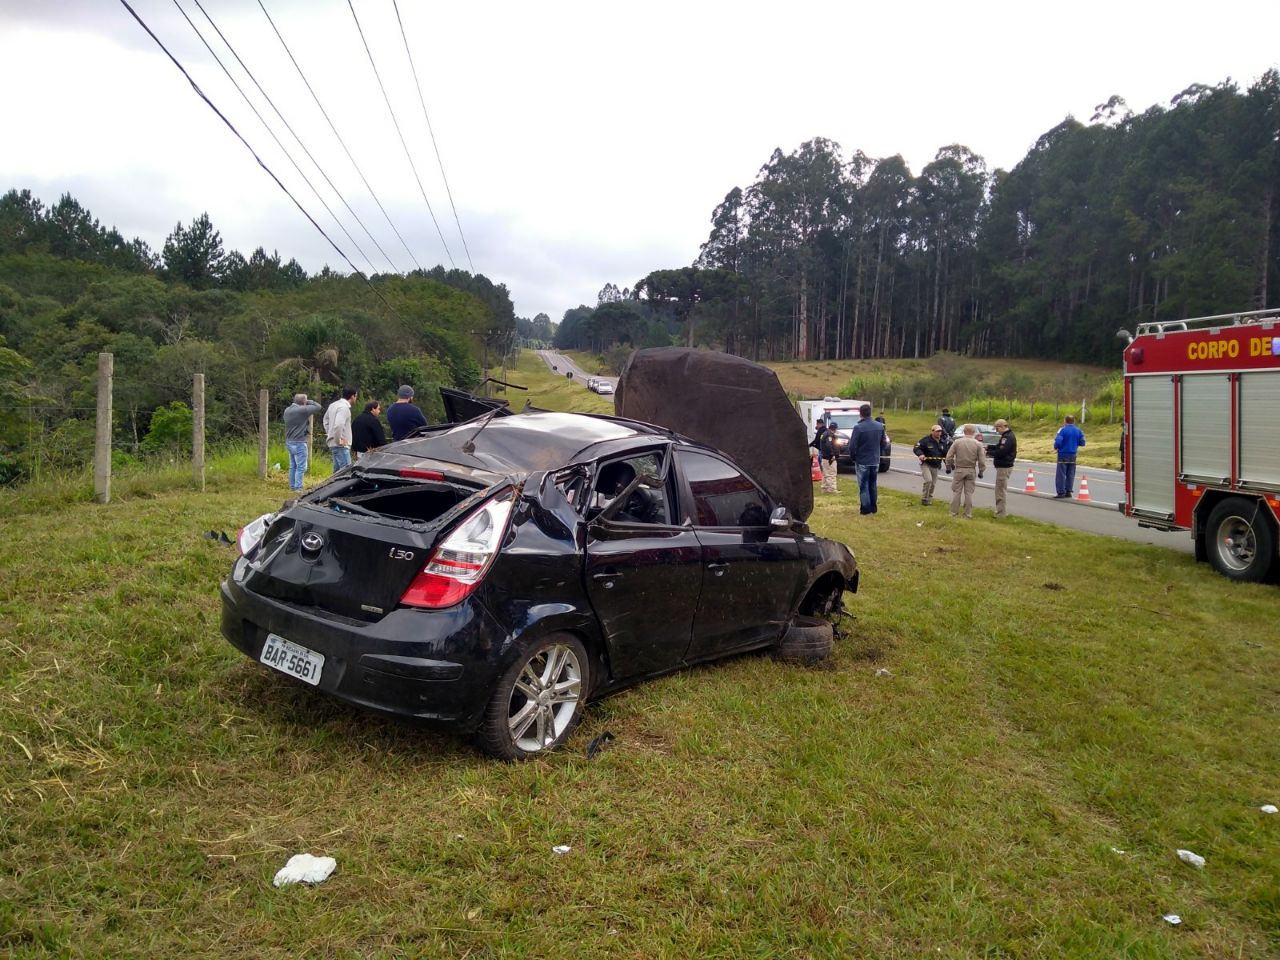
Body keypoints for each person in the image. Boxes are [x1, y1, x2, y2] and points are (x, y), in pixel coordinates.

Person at [944, 423, 987, 519]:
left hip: (959, 469)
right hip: (971, 470)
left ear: (964, 432)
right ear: (974, 432)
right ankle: (967, 514)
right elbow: (982, 460)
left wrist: (948, 466)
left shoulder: (957, 442)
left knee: (956, 492)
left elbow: (949, 456)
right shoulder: (978, 444)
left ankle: (953, 513)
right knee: (969, 493)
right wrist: (981, 471)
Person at [849, 403, 886, 515]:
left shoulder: (858, 427)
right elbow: (884, 442)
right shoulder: (879, 426)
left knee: (863, 485)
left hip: (862, 460)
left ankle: (865, 508)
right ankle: (873, 507)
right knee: (873, 484)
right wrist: (878, 452)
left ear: (861, 414)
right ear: (870, 412)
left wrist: (853, 457)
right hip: (875, 460)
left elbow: (852, 445)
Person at [282, 392, 321, 492]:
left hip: (289, 441)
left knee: (293, 465)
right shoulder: (302, 410)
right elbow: (318, 407)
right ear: (304, 402)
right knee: (301, 467)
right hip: (299, 442)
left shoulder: (287, 410)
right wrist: (309, 401)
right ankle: (298, 488)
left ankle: (292, 486)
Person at [323, 386, 357, 471]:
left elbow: (325, 420)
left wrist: (330, 433)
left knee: (337, 474)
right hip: (341, 446)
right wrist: (338, 440)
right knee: (346, 472)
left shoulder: (333, 405)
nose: (356, 398)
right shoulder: (344, 408)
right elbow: (338, 425)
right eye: (356, 396)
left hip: (334, 444)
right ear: (352, 396)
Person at [912, 424, 948, 505]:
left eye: (940, 431)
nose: (939, 433)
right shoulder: (925, 440)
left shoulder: (943, 442)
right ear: (932, 431)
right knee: (928, 480)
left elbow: (945, 454)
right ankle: (924, 499)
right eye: (937, 431)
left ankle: (929, 499)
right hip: (926, 464)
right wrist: (920, 454)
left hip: (936, 465)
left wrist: (948, 465)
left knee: (933, 484)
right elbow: (916, 447)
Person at [1053, 414, 1086, 498]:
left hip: (1063, 454)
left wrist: (1056, 447)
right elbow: (1082, 442)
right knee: (1070, 474)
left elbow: (1058, 442)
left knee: (1061, 474)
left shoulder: (1062, 430)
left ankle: (1061, 492)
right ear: (1073, 421)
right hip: (1073, 454)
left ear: (1065, 421)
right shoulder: (1079, 430)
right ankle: (1068, 491)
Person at [989, 418, 1017, 518]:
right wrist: (989, 447)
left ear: (1002, 427)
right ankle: (1001, 511)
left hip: (1004, 466)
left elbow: (1001, 452)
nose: (997, 431)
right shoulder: (1006, 436)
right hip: (1004, 465)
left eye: (997, 429)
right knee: (1000, 489)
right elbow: (998, 447)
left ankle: (1001, 513)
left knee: (1000, 490)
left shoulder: (1007, 437)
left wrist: (989, 453)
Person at [810, 417, 837, 494]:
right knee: (831, 472)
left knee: (825, 471)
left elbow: (818, 441)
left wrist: (810, 445)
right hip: (828, 456)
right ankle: (831, 489)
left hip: (824, 454)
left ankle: (824, 488)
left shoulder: (823, 433)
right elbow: (828, 445)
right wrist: (832, 455)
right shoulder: (828, 434)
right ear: (835, 429)